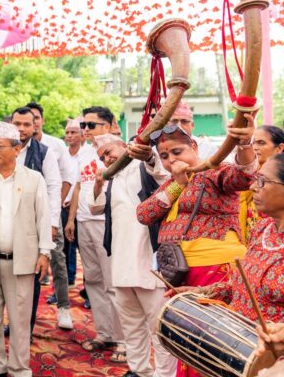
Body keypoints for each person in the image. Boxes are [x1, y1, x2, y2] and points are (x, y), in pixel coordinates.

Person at [137, 116, 256, 377]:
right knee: (190, 339)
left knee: (214, 340)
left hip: (216, 268)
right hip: (180, 271)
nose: (171, 160)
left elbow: (243, 177)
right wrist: (178, 185)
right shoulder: (172, 183)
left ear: (194, 146)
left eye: (177, 151)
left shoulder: (215, 172)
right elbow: (144, 214)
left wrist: (245, 143)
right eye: (164, 156)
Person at [0, 121, 52, 377]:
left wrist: (44, 252)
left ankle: (19, 368)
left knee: (20, 319)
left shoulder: (34, 179)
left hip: (23, 259)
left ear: (16, 149)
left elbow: (43, 217)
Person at [88, 135, 176, 377]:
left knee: (159, 326)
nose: (107, 159)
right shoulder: (112, 177)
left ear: (124, 146)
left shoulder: (144, 166)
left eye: (109, 152)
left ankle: (165, 375)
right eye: (102, 157)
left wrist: (148, 156)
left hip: (149, 263)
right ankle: (139, 370)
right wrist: (98, 183)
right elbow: (94, 207)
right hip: (121, 264)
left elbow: (162, 175)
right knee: (131, 326)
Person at [176, 154, 284, 325]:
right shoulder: (262, 228)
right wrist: (202, 291)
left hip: (268, 341)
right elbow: (244, 284)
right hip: (242, 336)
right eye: (256, 179)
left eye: (263, 181)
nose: (253, 187)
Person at [65, 106, 125, 361]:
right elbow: (79, 186)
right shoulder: (84, 152)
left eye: (91, 125)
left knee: (113, 283)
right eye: (84, 125)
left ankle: (124, 340)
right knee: (93, 280)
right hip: (84, 221)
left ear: (108, 125)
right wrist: (71, 219)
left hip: (107, 223)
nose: (86, 130)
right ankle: (104, 333)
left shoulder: (119, 150)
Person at [10, 107, 70, 331]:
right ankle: (14, 323)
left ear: (35, 125)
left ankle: (36, 322)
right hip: (9, 221)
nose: (22, 128)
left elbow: (54, 187)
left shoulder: (45, 152)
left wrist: (52, 223)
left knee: (43, 268)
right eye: (17, 124)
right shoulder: (3, 148)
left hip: (38, 220)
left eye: (27, 124)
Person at [62, 118, 83, 287]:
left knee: (83, 247)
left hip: (82, 207)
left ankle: (89, 289)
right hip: (63, 206)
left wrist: (75, 201)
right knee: (63, 246)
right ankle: (67, 280)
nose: (69, 135)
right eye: (67, 132)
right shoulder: (61, 154)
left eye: (73, 132)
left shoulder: (88, 154)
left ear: (82, 135)